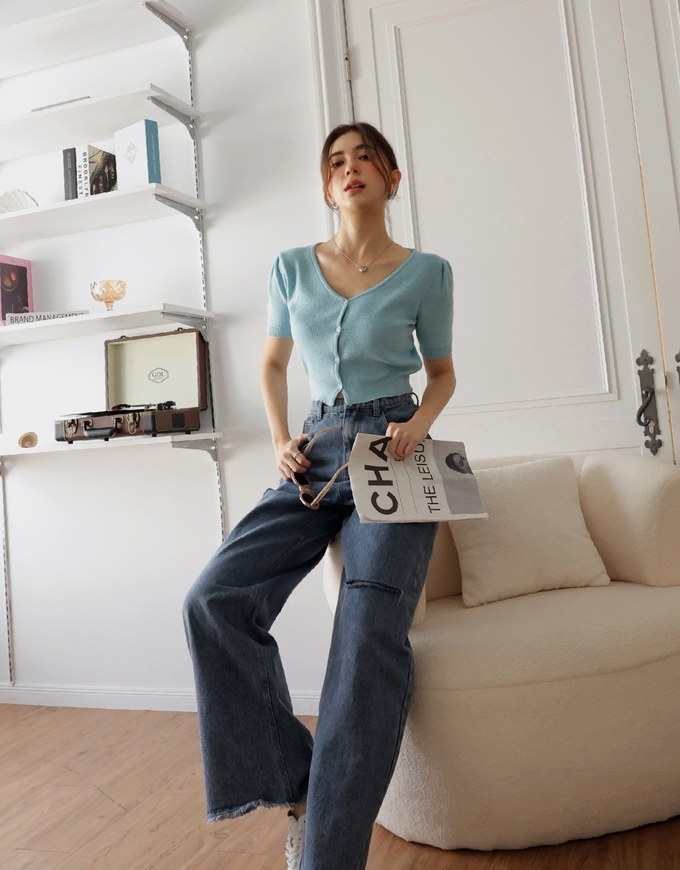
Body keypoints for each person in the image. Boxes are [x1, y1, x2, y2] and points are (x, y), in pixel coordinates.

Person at [183, 121, 456, 870]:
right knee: (213, 599)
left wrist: (418, 428)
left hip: (394, 446)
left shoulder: (427, 272)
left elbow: (442, 375)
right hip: (312, 451)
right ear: (325, 184)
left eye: (366, 157)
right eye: (337, 160)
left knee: (367, 634)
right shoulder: (291, 268)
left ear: (391, 177)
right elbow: (271, 365)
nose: (351, 168)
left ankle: (326, 860)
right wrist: (278, 440)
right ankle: (297, 781)